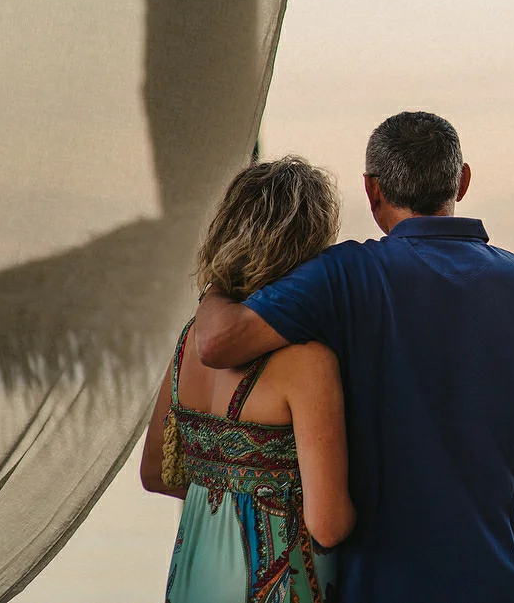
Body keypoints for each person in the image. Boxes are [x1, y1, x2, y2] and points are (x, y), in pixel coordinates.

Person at [191, 111, 514, 602]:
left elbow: (217, 344)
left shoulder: (343, 277)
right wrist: (470, 419)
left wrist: (216, 282)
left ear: (371, 190)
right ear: (461, 181)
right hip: (502, 584)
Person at [138, 156, 354, 603]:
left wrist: (222, 496)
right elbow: (328, 524)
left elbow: (156, 474)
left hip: (195, 577)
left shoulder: (192, 340)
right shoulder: (306, 362)